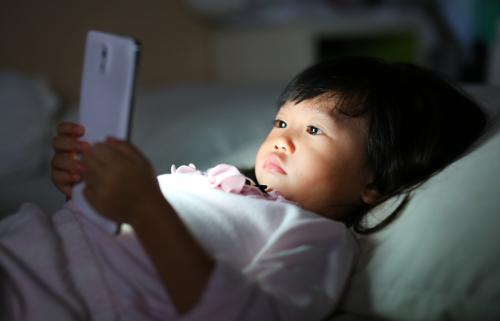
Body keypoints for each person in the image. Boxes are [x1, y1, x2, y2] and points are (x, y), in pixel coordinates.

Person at [1, 57, 487, 321]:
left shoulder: (314, 238)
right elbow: (105, 237)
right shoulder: (215, 182)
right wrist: (83, 191)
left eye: (313, 130)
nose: (281, 138)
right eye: (280, 121)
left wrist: (147, 208)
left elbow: (250, 312)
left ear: (374, 180)